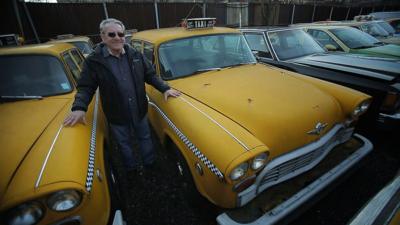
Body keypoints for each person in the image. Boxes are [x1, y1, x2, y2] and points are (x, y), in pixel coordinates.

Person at [63, 18, 180, 171]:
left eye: (120, 34)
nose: (117, 37)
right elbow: (85, 87)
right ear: (103, 37)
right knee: (124, 143)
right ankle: (130, 168)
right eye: (112, 34)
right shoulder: (93, 61)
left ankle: (150, 164)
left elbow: (150, 75)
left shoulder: (135, 54)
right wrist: (79, 108)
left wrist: (165, 88)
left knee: (145, 137)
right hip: (116, 114)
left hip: (139, 109)